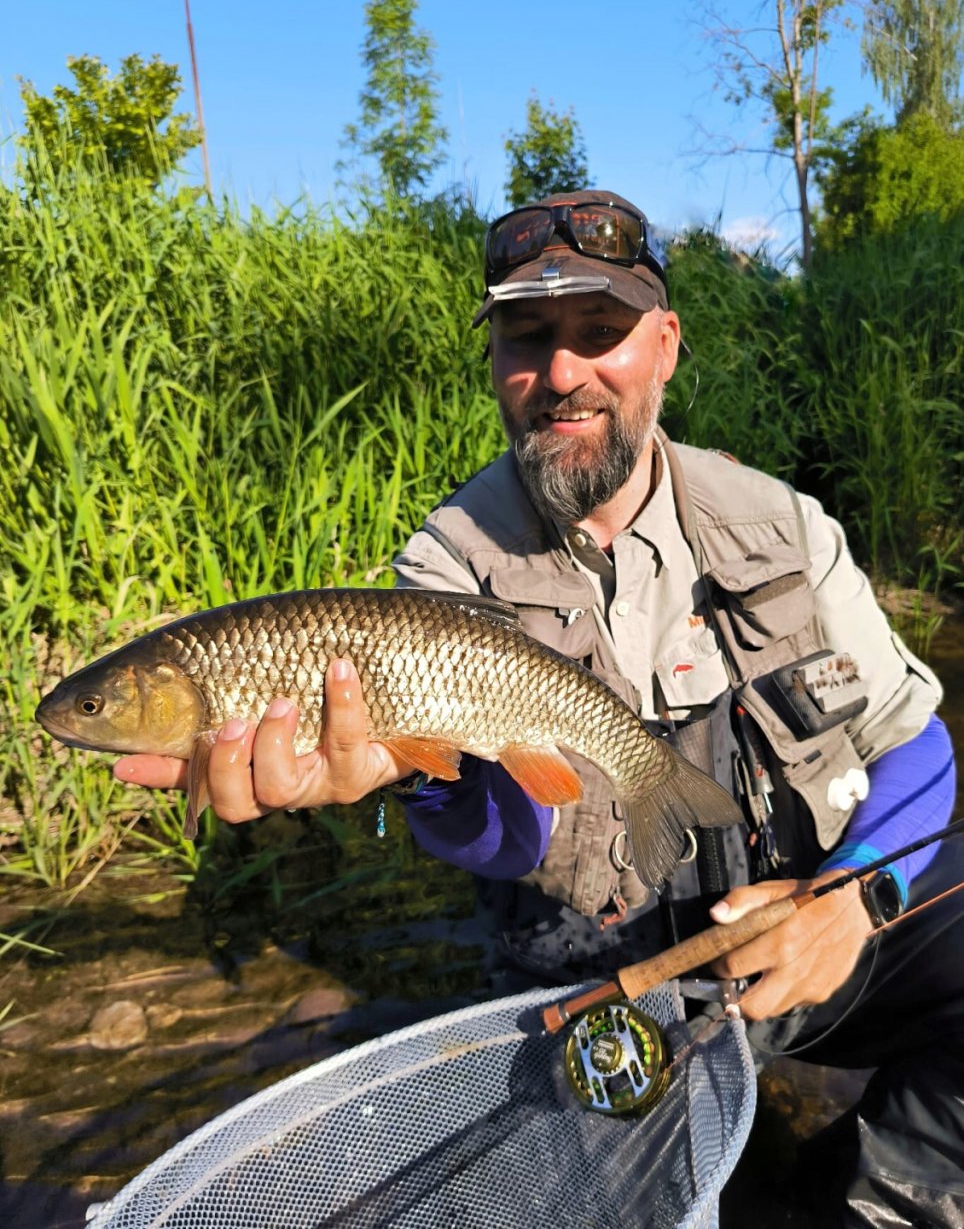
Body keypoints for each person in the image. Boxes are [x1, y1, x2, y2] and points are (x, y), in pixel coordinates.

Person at [117, 190, 962, 1227]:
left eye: (598, 332)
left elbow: (915, 743)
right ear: (494, 360)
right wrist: (415, 776)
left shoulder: (784, 526)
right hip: (608, 981)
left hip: (808, 927)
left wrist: (853, 899)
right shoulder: (445, 566)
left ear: (664, 345)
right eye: (527, 334)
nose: (561, 373)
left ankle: (873, 1200)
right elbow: (518, 828)